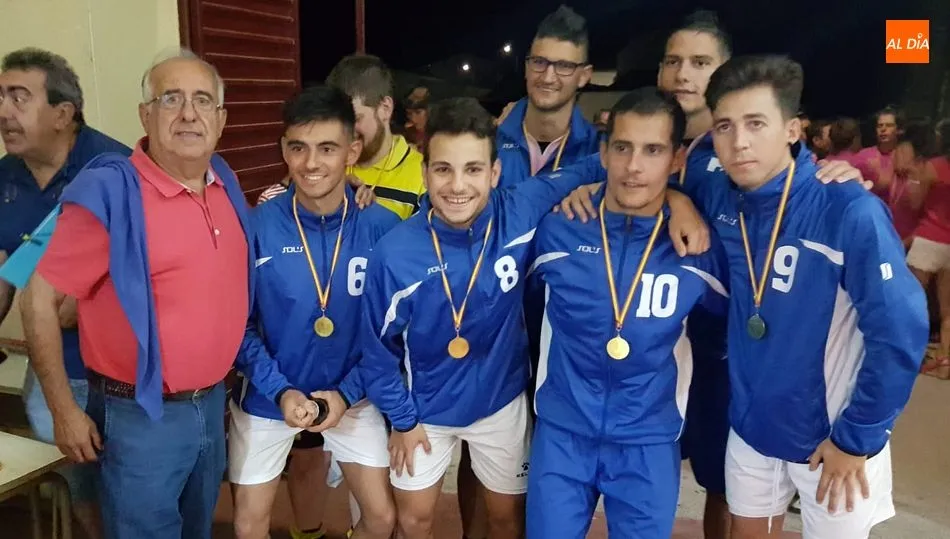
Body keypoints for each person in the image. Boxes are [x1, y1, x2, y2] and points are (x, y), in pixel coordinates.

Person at [20, 49, 254, 539]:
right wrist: (64, 409)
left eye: (202, 101)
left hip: (211, 404)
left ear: (221, 118)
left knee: (199, 529)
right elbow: (38, 298)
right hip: (140, 418)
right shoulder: (109, 191)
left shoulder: (224, 181)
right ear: (146, 114)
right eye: (171, 99)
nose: (189, 113)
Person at [699, 54, 927, 539]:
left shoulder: (848, 210)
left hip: (833, 438)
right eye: (724, 126)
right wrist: (677, 201)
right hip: (752, 426)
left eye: (756, 123)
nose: (738, 142)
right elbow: (652, 184)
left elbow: (900, 334)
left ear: (792, 130)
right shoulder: (719, 197)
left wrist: (857, 439)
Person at [526, 88, 730, 539]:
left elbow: (727, 334)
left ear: (676, 159)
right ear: (603, 152)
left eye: (652, 150)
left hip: (649, 442)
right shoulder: (556, 230)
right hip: (562, 434)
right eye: (622, 148)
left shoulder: (697, 248)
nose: (633, 166)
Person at [229, 85, 399, 539]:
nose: (311, 163)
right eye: (298, 148)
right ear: (284, 148)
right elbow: (238, 328)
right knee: (247, 527)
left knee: (382, 519)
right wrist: (281, 390)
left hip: (354, 396)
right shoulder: (257, 227)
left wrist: (346, 394)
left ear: (353, 149)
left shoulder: (382, 228)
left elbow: (391, 335)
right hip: (269, 396)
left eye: (327, 148)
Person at [0, 46, 130, 539]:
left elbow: (82, 305)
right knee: (83, 496)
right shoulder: (5, 178)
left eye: (19, 97)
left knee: (132, 497)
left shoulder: (114, 170)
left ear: (63, 113)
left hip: (118, 379)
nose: (4, 111)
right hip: (52, 375)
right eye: (0, 96)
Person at [327, 55, 426, 220]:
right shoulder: (326, 165)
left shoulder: (423, 176)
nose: (345, 132)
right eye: (338, 121)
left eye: (355, 119)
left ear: (385, 108)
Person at [901, 120, 950, 377]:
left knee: (914, 303)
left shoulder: (934, 167)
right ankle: (945, 363)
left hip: (928, 239)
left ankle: (913, 356)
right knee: (947, 311)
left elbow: (916, 204)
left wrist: (914, 182)